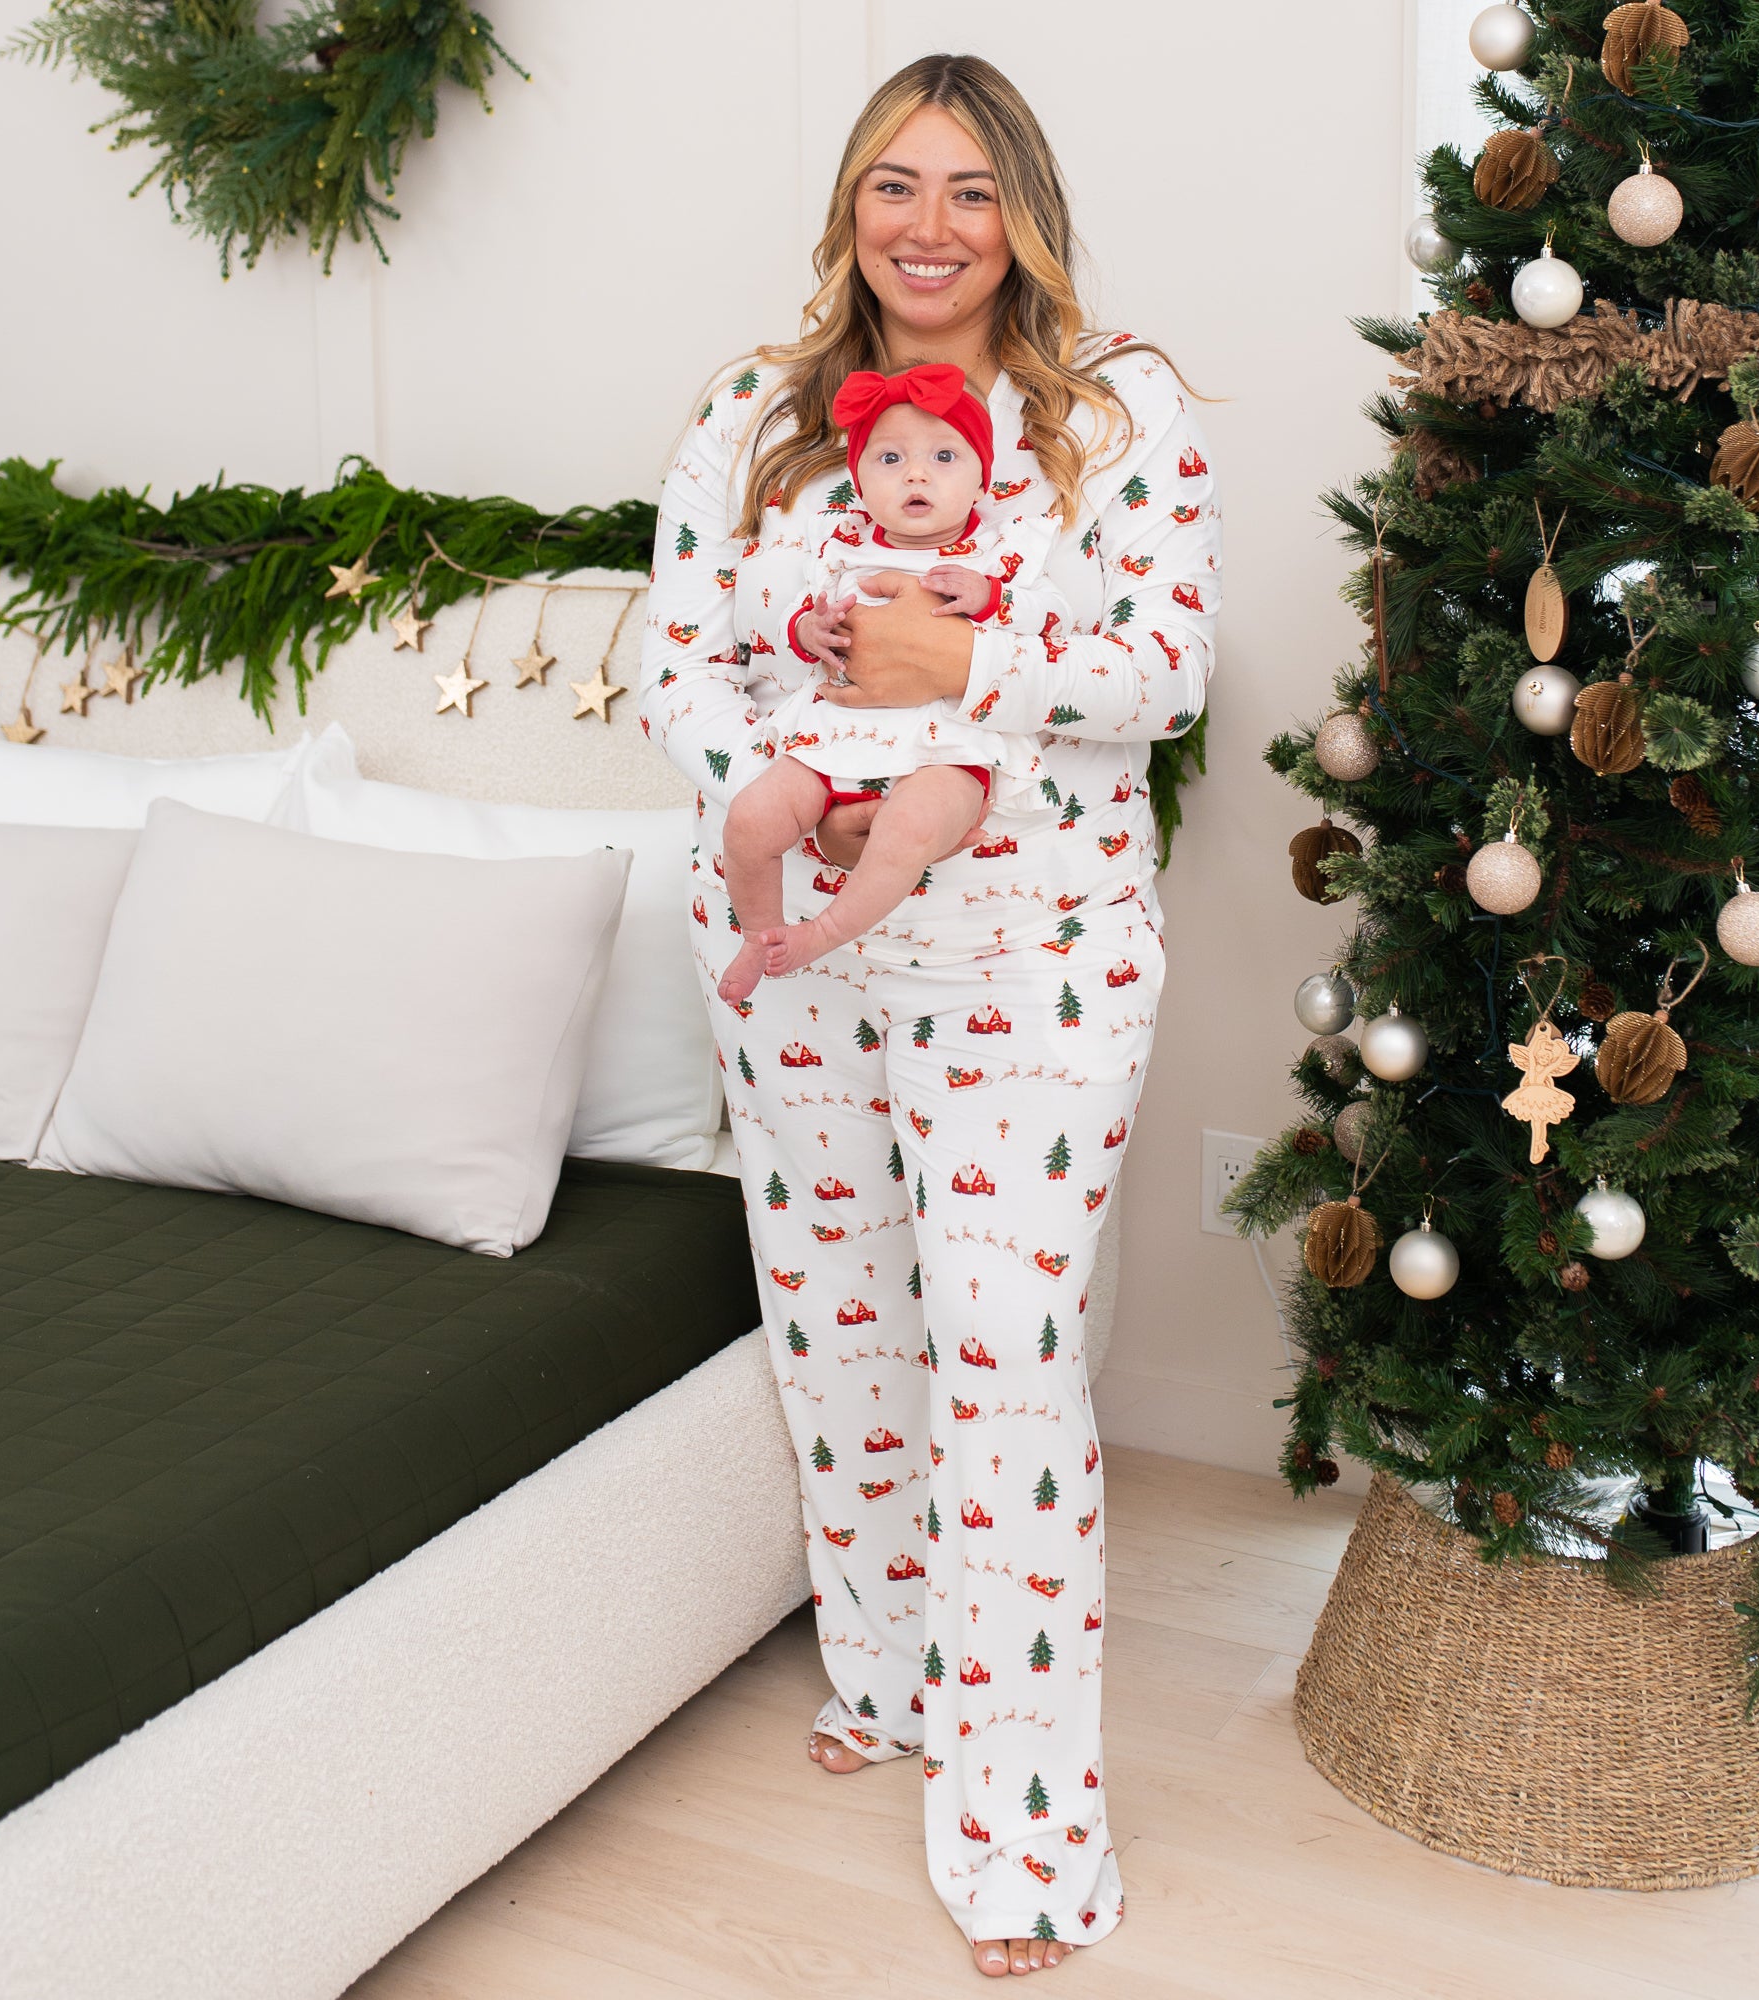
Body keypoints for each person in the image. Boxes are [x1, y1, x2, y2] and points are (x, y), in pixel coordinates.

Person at [637, 50, 1218, 1982]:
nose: (931, 226)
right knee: (840, 1334)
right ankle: (888, 1678)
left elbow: (1167, 667)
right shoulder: (752, 414)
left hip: (1033, 952)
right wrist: (780, 785)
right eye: (897, 185)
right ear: (850, 211)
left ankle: (1026, 1832)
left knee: (1003, 1351)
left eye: (973, 189)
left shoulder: (1120, 408)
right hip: (804, 950)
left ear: (1024, 213)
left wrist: (958, 655)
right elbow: (681, 657)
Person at [717, 360, 1064, 1002]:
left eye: (943, 455)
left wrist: (990, 599)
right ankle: (759, 934)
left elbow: (1052, 621)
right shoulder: (841, 548)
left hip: (945, 749)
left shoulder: (996, 555)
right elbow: (805, 625)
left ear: (981, 478)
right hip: (835, 736)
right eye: (889, 458)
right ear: (858, 481)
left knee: (908, 830)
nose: (916, 473)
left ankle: (821, 932)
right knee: (750, 818)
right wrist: (809, 632)